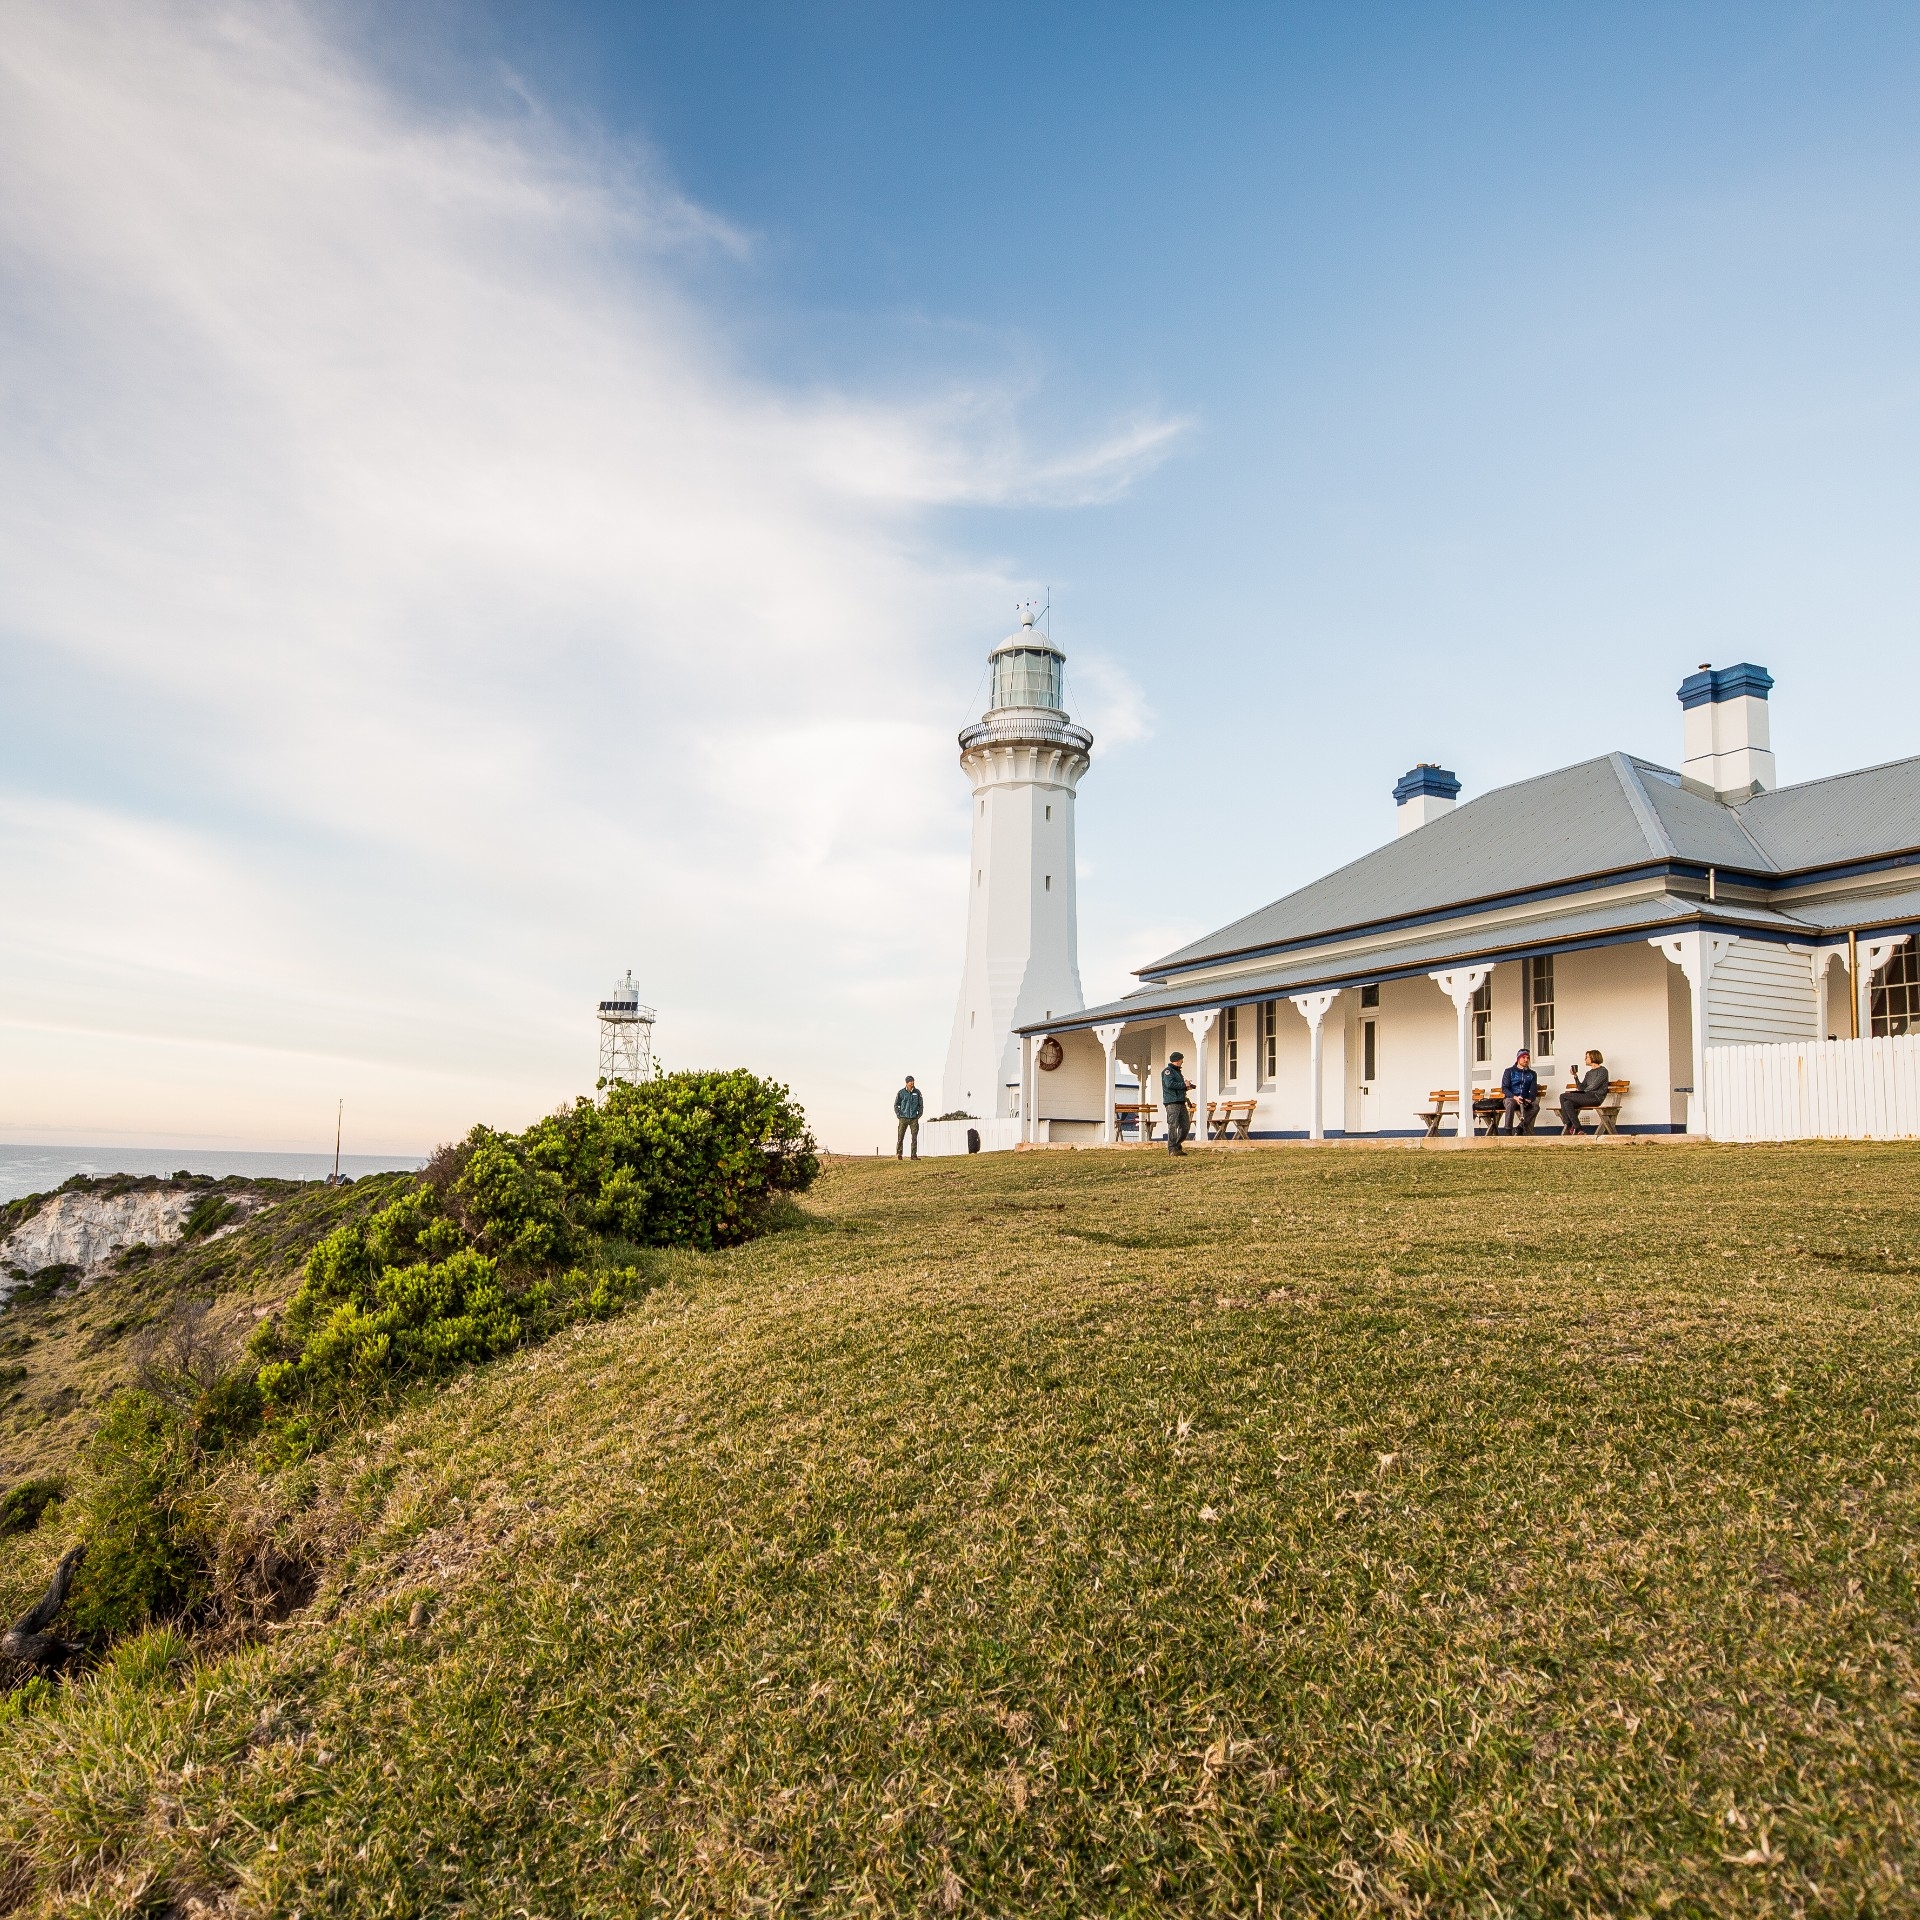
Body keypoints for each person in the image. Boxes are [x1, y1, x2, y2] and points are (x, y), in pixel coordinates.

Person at [1558, 1051, 1611, 1134]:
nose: (1585, 1059)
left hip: (1595, 1097)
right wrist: (1575, 1076)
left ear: (1593, 1058)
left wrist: (1580, 1093)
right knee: (1567, 1103)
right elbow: (1581, 1087)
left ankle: (1568, 1124)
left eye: (1587, 1057)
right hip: (1586, 1096)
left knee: (1563, 1096)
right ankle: (1579, 1130)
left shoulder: (1603, 1071)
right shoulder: (1589, 1073)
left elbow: (1594, 1086)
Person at [1499, 1049, 1540, 1134]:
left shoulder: (1532, 1074)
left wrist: (1529, 1099)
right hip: (1511, 1098)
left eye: (1528, 1058)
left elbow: (1533, 1090)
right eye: (1523, 1057)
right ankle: (1508, 1130)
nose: (1526, 1060)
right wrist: (1515, 1097)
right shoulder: (1509, 1071)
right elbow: (1504, 1088)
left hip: (1524, 1099)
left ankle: (1520, 1127)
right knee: (1510, 1103)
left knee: (1535, 1107)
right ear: (1518, 1059)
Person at [1161, 1051, 1193, 1155]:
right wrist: (1184, 1085)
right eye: (1181, 1059)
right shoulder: (1168, 1071)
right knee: (1173, 1125)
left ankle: (1177, 1145)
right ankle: (1172, 1148)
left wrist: (1187, 1086)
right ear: (1178, 1060)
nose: (1182, 1062)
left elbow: (1178, 1085)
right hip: (1172, 1102)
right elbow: (1169, 1084)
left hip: (1181, 1101)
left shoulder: (1177, 1072)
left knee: (1185, 1126)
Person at [894, 1076, 924, 1158]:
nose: (912, 1083)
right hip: (903, 1118)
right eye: (910, 1081)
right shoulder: (901, 1092)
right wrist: (899, 1115)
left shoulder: (917, 1092)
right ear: (906, 1083)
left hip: (914, 1118)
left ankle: (913, 1155)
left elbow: (921, 1105)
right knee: (900, 1137)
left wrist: (918, 1115)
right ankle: (899, 1154)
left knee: (914, 1137)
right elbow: (896, 1105)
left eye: (913, 1081)